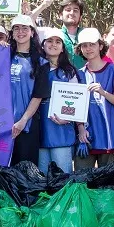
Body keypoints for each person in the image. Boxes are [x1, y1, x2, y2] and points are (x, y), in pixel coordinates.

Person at [75, 28, 114, 179]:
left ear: (100, 46)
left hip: (109, 136)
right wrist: (80, 128)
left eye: (92, 44)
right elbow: (75, 106)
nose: (88, 48)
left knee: (109, 186)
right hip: (85, 138)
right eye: (84, 45)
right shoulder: (78, 74)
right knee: (82, 183)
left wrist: (103, 92)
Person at [37, 27, 87, 174]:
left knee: (62, 178)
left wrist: (72, 119)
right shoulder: (36, 69)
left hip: (61, 131)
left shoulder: (70, 72)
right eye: (50, 41)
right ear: (43, 45)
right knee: (42, 179)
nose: (53, 44)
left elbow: (77, 101)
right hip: (40, 130)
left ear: (63, 48)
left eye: (58, 41)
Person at [8, 15, 50, 165]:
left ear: (32, 32)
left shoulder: (41, 62)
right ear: (12, 33)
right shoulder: (3, 56)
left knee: (25, 167)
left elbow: (38, 96)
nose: (20, 32)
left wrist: (23, 120)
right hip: (3, 123)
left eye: (25, 28)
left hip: (27, 124)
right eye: (16, 29)